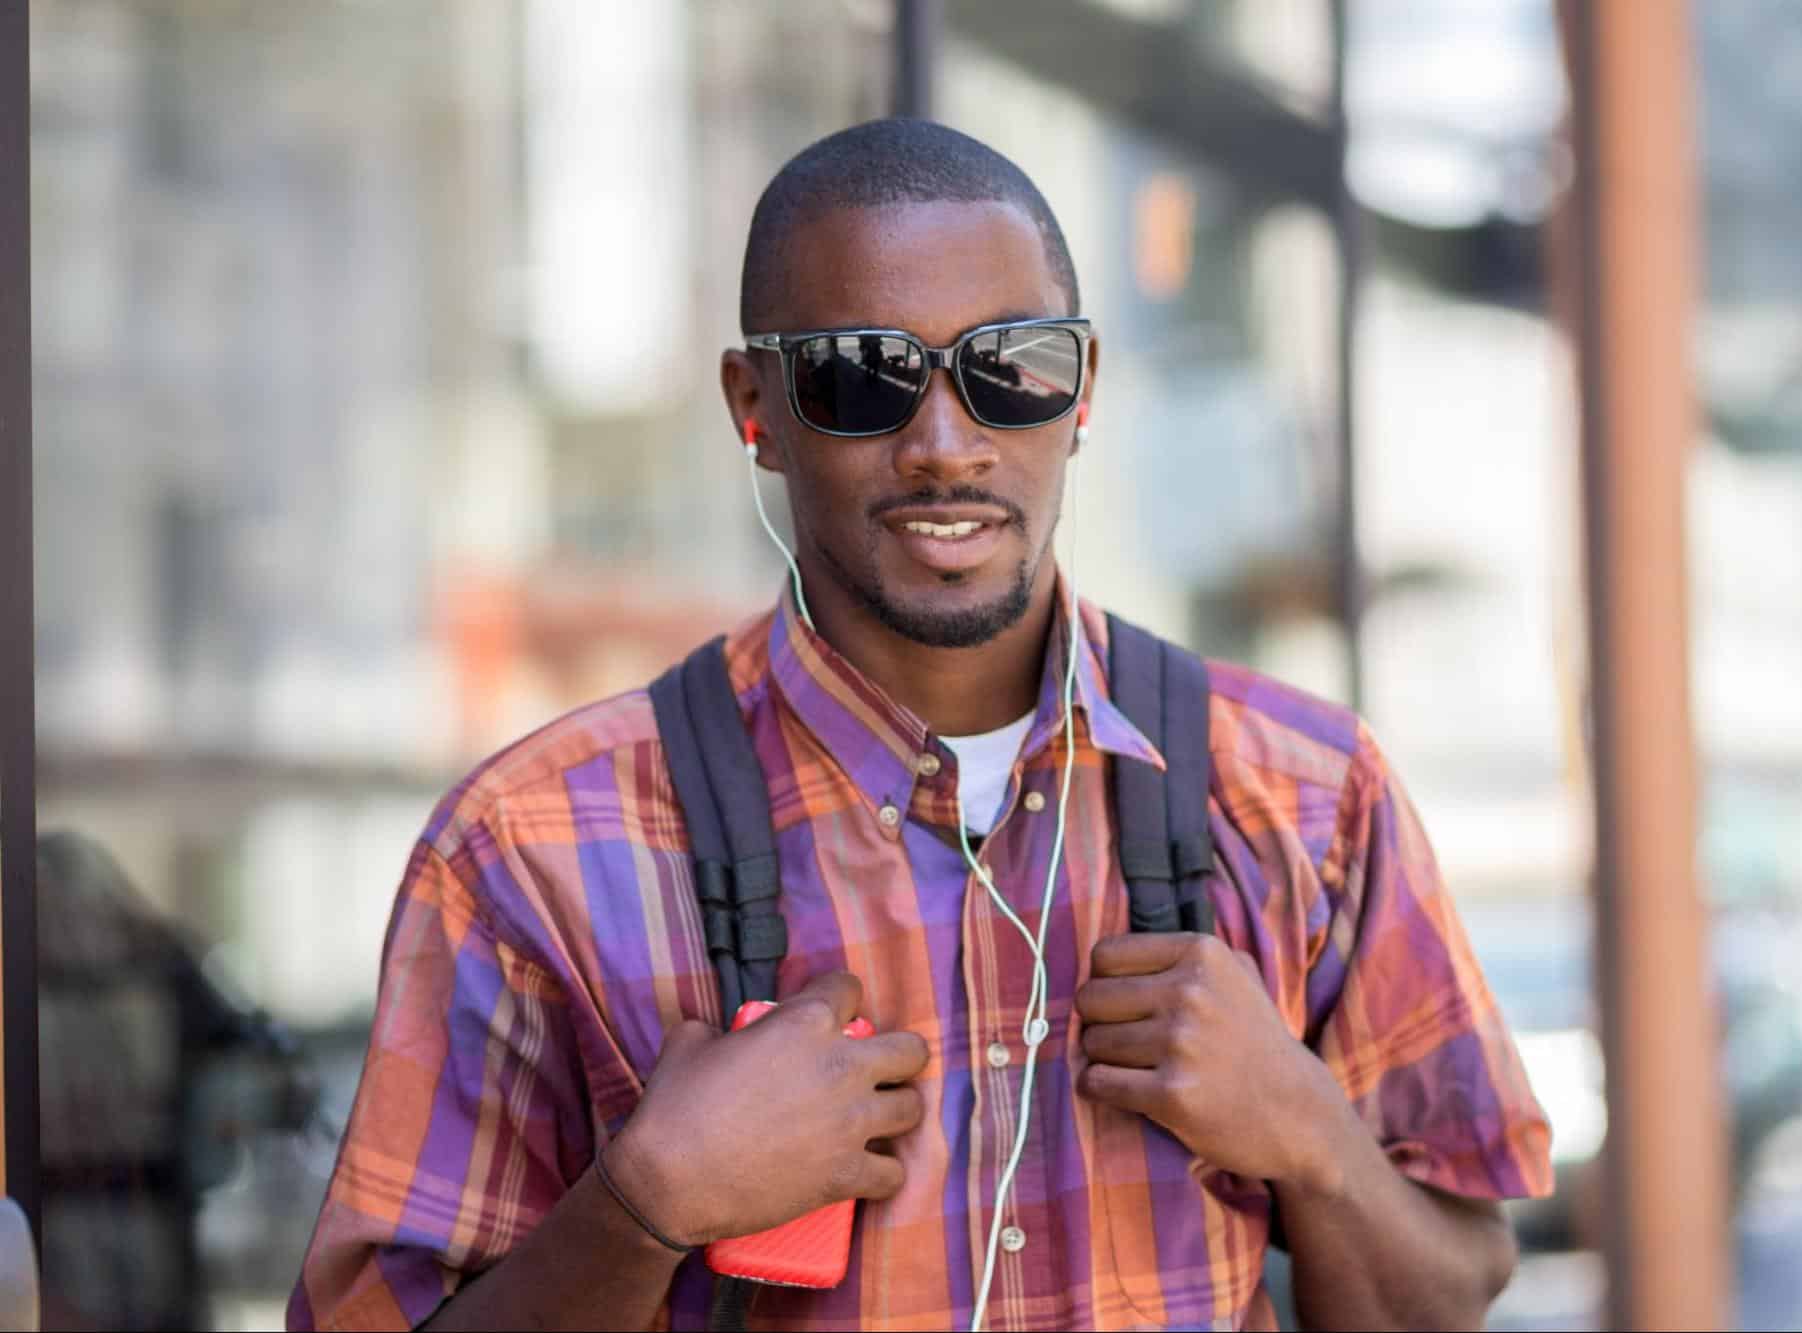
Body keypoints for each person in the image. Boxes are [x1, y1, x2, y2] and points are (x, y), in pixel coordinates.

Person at [288, 118, 1551, 1332]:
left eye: (1012, 368)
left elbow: (1448, 1295)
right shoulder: (534, 849)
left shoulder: (1310, 796)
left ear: (1082, 391)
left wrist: (1312, 1135)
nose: (946, 446)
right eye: (861, 376)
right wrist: (643, 1205)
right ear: (754, 408)